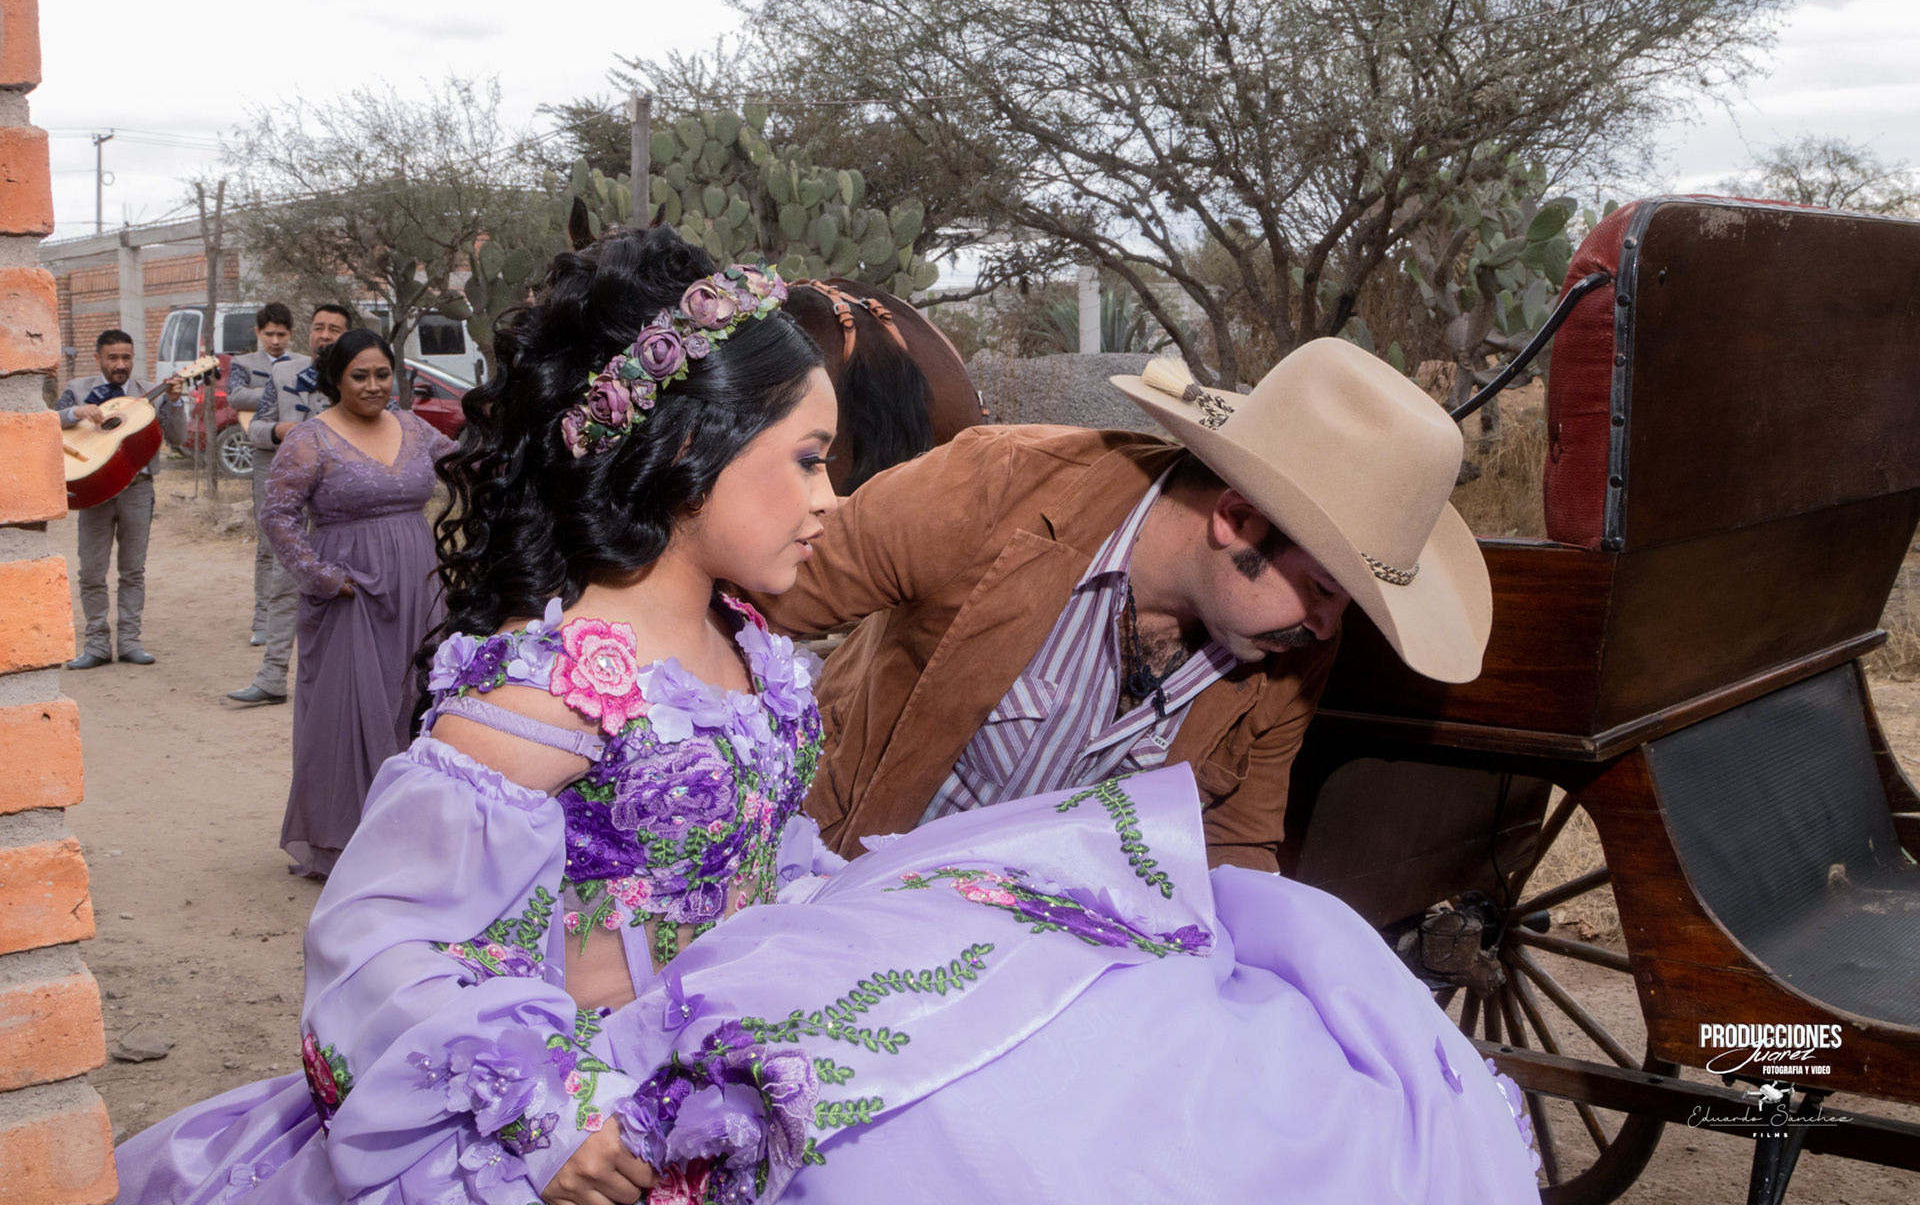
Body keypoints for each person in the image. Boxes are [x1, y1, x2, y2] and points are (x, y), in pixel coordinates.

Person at [110, 226, 1537, 1205]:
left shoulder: (745, 652)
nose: (831, 497)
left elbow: (1231, 852)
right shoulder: (566, 685)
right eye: (806, 458)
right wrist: (546, 1110)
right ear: (690, 451)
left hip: (787, 977)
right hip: (633, 1065)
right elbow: (375, 938)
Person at [750, 342, 1488, 870]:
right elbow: (751, 604)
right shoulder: (990, 491)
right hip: (848, 896)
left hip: (1054, 962)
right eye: (1325, 588)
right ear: (1236, 521)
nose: (1328, 626)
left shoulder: (1289, 645)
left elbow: (1236, 846)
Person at [257, 327, 455, 877]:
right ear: (336, 380)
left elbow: (471, 467)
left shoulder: (415, 428)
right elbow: (277, 516)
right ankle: (342, 842)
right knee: (345, 711)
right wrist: (321, 577)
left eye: (382, 374)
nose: (373, 386)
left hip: (419, 587)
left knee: (416, 701)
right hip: (351, 593)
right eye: (359, 376)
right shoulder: (310, 439)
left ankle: (411, 838)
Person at [227, 304, 351, 706]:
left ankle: (336, 684)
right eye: (319, 327)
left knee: (342, 588)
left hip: (344, 505)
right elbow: (256, 428)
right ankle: (272, 677)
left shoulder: (360, 376)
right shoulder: (283, 375)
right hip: (293, 494)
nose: (324, 335)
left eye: (334, 329)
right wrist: (280, 430)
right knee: (284, 581)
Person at [56, 329, 185, 669]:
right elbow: (47, 423)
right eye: (112, 358)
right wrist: (75, 413)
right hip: (95, 488)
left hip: (138, 489)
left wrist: (174, 402)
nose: (120, 365)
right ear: (97, 358)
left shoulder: (150, 392)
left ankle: (130, 642)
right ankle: (96, 644)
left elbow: (178, 437)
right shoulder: (78, 390)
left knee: (132, 570)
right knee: (91, 571)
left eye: (126, 357)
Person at [224, 302, 302, 646]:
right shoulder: (243, 364)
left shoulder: (303, 363)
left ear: (291, 333)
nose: (275, 341)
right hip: (266, 457)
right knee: (268, 541)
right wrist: (279, 392)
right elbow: (235, 396)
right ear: (258, 333)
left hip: (302, 456)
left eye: (281, 334)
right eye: (269, 334)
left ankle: (297, 616)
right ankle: (263, 620)